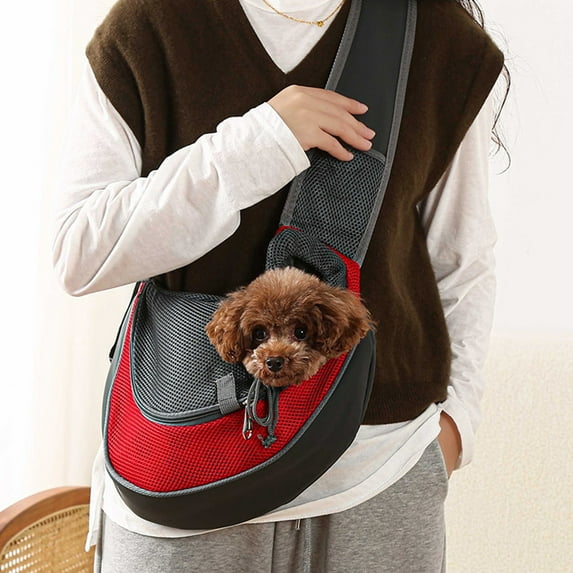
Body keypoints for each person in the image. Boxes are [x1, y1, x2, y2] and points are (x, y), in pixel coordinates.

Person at [53, 0, 507, 571]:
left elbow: (461, 256)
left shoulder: (435, 36)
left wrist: (456, 425)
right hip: (179, 460)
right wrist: (261, 143)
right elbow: (80, 251)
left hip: (379, 468)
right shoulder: (151, 25)